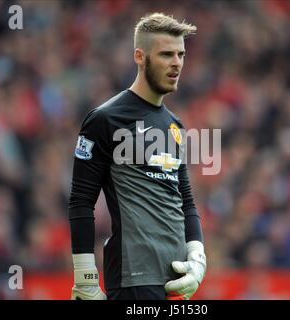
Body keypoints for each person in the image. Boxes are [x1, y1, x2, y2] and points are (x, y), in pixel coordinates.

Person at [68, 13, 206, 300]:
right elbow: (81, 201)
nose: (177, 62)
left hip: (177, 280)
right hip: (134, 281)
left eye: (181, 54)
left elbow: (186, 201)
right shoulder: (105, 119)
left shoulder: (175, 126)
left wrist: (197, 256)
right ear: (140, 57)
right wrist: (85, 277)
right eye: (166, 54)